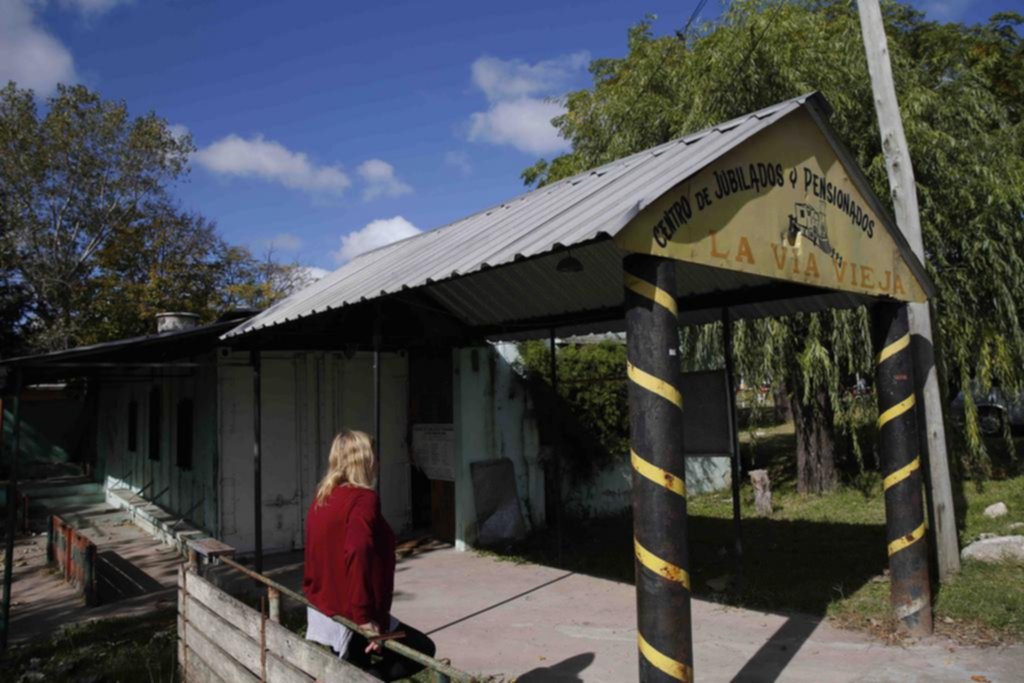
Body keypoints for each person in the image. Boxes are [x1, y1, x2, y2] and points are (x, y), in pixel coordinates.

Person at [303, 429, 436, 680]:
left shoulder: (323, 496)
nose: (378, 462)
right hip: (352, 614)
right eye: (374, 455)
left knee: (359, 668)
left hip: (327, 608)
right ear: (364, 460)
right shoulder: (363, 499)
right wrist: (364, 619)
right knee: (422, 648)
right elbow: (358, 550)